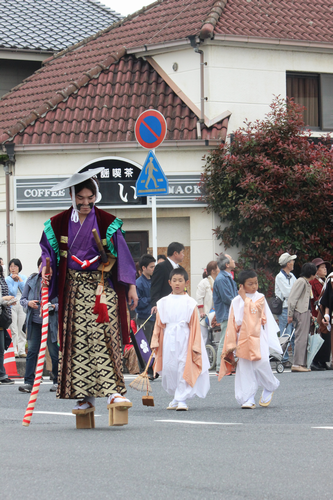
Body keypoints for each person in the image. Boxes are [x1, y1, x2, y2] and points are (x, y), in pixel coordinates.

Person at [40, 167, 138, 414]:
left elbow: (123, 255)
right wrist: (45, 267)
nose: (85, 203)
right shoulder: (57, 223)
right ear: (71, 196)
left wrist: (131, 286)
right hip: (72, 289)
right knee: (76, 340)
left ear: (96, 196)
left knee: (103, 336)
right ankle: (83, 397)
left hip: (101, 288)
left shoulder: (107, 221)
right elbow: (47, 254)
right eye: (80, 198)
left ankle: (113, 392)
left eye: (89, 198)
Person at [218, 269, 282, 409]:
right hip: (242, 338)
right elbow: (232, 323)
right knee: (245, 367)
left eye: (256, 283)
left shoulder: (260, 297)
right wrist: (231, 344)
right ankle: (248, 397)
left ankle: (270, 386)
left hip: (258, 336)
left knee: (262, 362)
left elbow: (255, 312)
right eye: (250, 284)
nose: (254, 286)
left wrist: (245, 299)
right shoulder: (235, 301)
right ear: (242, 285)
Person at [151, 268, 210, 411]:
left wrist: (195, 344)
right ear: (169, 282)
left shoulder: (190, 302)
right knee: (171, 367)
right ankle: (177, 396)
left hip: (185, 337)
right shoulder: (162, 302)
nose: (177, 283)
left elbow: (194, 325)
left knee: (183, 365)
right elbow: (159, 325)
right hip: (168, 337)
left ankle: (182, 399)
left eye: (180, 280)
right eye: (174, 280)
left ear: (186, 283)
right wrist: (155, 341)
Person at [18, 257, 59, 394]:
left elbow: (64, 303)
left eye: (48, 267)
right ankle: (29, 382)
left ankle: (57, 381)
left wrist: (53, 306)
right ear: (38, 269)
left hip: (50, 322)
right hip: (34, 322)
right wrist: (29, 303)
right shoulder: (32, 280)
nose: (45, 270)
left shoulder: (57, 282)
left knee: (54, 352)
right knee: (32, 352)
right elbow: (22, 300)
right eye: (42, 267)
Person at [288, 262, 317, 372]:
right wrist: (290, 314)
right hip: (300, 312)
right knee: (301, 338)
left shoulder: (305, 282)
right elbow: (292, 299)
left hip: (304, 312)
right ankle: (297, 363)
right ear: (311, 273)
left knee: (304, 338)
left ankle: (302, 363)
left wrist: (310, 314)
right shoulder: (301, 282)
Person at [213, 253, 238, 373]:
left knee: (229, 340)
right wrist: (239, 302)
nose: (234, 261)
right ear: (227, 264)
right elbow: (227, 297)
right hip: (226, 313)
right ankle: (220, 366)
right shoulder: (222, 278)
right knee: (225, 340)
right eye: (232, 259)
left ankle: (227, 366)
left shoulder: (227, 276)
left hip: (229, 312)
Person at [310, 258, 332, 371]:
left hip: (325, 313)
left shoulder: (324, 281)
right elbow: (313, 299)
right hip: (318, 313)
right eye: (322, 267)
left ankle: (323, 361)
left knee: (327, 338)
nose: (325, 269)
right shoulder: (313, 282)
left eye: (325, 267)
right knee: (319, 336)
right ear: (316, 270)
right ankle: (315, 361)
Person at [275, 252, 297, 363]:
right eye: (291, 261)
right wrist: (296, 291)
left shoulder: (292, 276)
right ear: (288, 263)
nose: (293, 263)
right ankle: (283, 358)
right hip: (284, 308)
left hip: (291, 307)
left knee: (293, 334)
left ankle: (295, 358)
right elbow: (287, 292)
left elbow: (293, 290)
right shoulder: (279, 277)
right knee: (285, 333)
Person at [150, 242, 185, 313]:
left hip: (180, 305)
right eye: (182, 252)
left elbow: (184, 287)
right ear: (175, 253)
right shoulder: (161, 267)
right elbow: (155, 287)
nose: (183, 255)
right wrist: (155, 304)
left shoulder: (181, 269)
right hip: (166, 307)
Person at [6, 258, 27, 358]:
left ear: (19, 267)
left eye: (15, 266)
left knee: (21, 328)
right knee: (13, 328)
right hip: (12, 304)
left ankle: (22, 350)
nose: (13, 268)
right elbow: (13, 292)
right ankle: (14, 350)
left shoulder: (23, 277)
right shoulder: (7, 279)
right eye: (11, 266)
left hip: (22, 304)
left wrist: (19, 279)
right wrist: (14, 281)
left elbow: (25, 291)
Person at [196, 261, 220, 344]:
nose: (220, 269)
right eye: (218, 268)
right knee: (204, 338)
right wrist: (201, 312)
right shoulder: (204, 282)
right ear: (213, 271)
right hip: (205, 315)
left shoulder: (219, 281)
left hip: (215, 314)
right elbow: (199, 298)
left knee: (215, 339)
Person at [136, 254, 156, 345]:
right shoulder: (138, 283)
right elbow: (137, 303)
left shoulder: (154, 281)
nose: (153, 269)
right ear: (143, 268)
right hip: (144, 319)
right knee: (145, 347)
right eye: (151, 267)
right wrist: (151, 299)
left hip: (155, 318)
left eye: (154, 266)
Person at [0, 264, 14, 385]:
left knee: (1, 346)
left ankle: (2, 374)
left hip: (2, 318)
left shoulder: (3, 280)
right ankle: (2, 374)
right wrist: (5, 299)